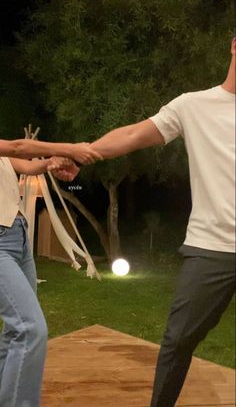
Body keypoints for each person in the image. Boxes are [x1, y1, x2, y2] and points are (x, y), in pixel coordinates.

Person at [88, 37, 236, 406]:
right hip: (211, 248)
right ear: (234, 45)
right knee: (178, 340)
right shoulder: (194, 105)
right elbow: (133, 134)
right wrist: (85, 152)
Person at [0, 140, 102, 407]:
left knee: (15, 330)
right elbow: (17, 147)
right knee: (30, 329)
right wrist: (70, 149)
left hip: (18, 237)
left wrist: (52, 161)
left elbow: (25, 164)